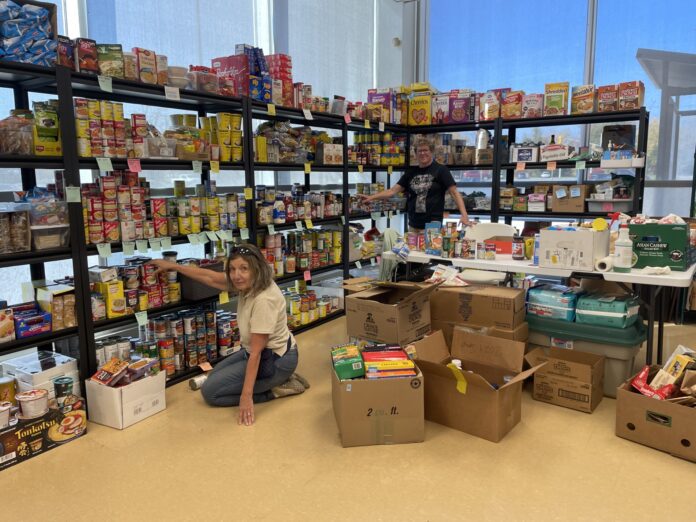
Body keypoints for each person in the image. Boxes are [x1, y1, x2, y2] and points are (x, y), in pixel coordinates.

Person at [151, 244, 309, 426]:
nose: (236, 275)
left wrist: (246, 397)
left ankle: (276, 389)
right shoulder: (249, 283)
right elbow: (210, 277)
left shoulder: (264, 300)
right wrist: (174, 266)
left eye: (244, 269)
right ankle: (277, 381)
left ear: (256, 268)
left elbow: (256, 354)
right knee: (214, 375)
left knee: (211, 392)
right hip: (258, 353)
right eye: (232, 269)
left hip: (275, 359)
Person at [361, 138, 471, 232]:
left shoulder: (441, 170)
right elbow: (392, 191)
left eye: (425, 150)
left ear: (431, 152)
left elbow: (454, 193)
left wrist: (464, 215)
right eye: (419, 151)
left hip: (433, 223)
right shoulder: (411, 172)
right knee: (413, 256)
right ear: (416, 153)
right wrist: (371, 197)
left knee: (429, 254)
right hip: (413, 224)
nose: (423, 153)